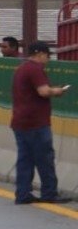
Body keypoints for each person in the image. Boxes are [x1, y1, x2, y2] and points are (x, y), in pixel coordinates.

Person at [9, 41, 73, 205]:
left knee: (25, 159)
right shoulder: (35, 69)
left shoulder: (21, 68)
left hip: (20, 121)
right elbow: (43, 91)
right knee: (45, 159)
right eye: (48, 55)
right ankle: (49, 192)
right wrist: (58, 91)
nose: (48, 59)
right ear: (40, 54)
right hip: (36, 123)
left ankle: (22, 194)